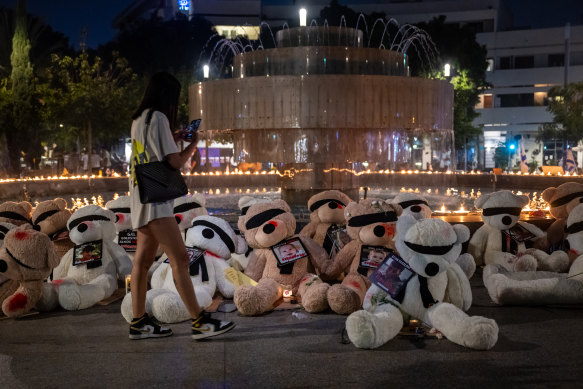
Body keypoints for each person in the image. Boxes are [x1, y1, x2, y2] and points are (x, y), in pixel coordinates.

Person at [128, 72, 234, 340]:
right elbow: (173, 162)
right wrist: (192, 146)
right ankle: (199, 322)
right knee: (181, 260)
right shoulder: (160, 117)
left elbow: (150, 152)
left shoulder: (139, 119)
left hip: (139, 198)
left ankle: (138, 322)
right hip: (157, 203)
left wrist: (173, 136)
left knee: (140, 263)